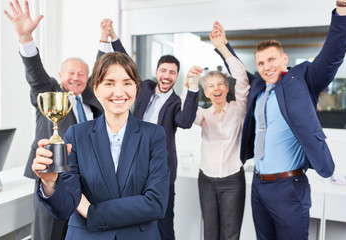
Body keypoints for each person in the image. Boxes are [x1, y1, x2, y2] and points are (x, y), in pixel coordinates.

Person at [212, 3, 346, 239]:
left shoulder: (303, 79)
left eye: (271, 60)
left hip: (289, 188)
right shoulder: (258, 88)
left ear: (284, 58)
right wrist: (223, 46)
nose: (266, 67)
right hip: (259, 185)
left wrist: (343, 13)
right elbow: (239, 71)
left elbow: (331, 56)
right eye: (261, 63)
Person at [32, 51, 170, 240]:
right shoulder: (77, 134)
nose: (119, 92)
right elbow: (65, 208)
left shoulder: (154, 135)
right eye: (109, 83)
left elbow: (156, 203)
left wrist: (91, 211)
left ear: (136, 88)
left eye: (127, 83)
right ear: (95, 88)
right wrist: (50, 183)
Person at [4, 0, 104, 239]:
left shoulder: (94, 101)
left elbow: (102, 68)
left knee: (78, 232)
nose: (76, 78)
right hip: (51, 175)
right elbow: (35, 75)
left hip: (86, 179)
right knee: (48, 233)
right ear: (60, 76)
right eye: (71, 73)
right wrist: (26, 39)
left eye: (82, 74)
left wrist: (103, 38)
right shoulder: (49, 92)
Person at [99, 19, 199, 240]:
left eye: (172, 73)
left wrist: (193, 87)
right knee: (131, 220)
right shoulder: (144, 87)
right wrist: (113, 36)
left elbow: (185, 122)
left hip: (160, 169)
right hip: (131, 163)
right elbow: (126, 62)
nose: (167, 76)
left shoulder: (175, 103)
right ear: (157, 71)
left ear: (176, 77)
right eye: (163, 70)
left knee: (163, 222)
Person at [181, 29, 249, 240]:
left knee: (230, 234)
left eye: (220, 84)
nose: (216, 88)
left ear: (227, 88)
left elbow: (242, 78)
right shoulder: (203, 115)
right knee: (210, 233)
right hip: (206, 180)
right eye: (211, 86)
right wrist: (190, 84)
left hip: (232, 180)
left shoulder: (239, 109)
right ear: (207, 93)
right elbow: (187, 115)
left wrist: (223, 47)